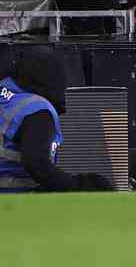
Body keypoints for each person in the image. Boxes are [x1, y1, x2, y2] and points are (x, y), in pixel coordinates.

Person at [0, 52, 112, 192]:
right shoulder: (36, 110)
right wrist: (79, 186)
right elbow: (38, 166)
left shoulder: (6, 95)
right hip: (11, 201)